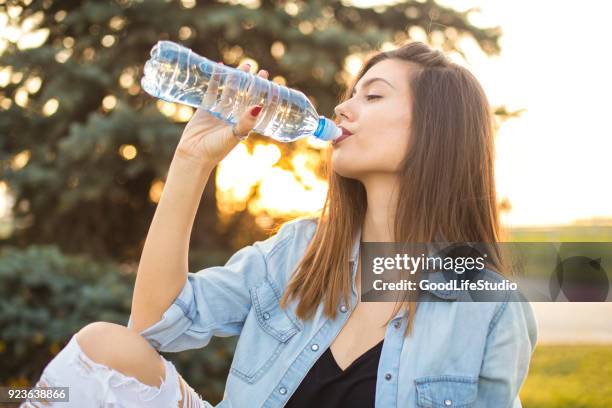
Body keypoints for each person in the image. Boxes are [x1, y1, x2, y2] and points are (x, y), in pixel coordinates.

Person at [24, 40, 537, 408]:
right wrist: (192, 160)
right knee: (103, 345)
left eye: (373, 96)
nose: (344, 107)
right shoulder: (300, 252)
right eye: (351, 94)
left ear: (436, 129)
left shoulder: (488, 307)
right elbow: (157, 324)